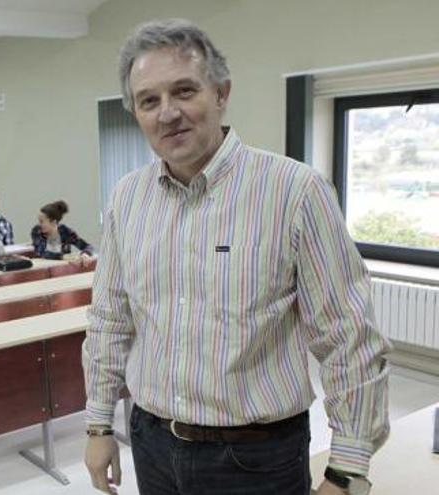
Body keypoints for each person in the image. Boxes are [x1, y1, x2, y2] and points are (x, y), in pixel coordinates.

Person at [83, 19, 390, 495]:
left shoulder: (295, 191)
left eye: (184, 91)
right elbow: (110, 319)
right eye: (149, 101)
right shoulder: (126, 199)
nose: (168, 113)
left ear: (221, 93)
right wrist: (100, 424)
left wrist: (347, 470)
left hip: (256, 458)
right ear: (136, 113)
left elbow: (347, 339)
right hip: (152, 444)